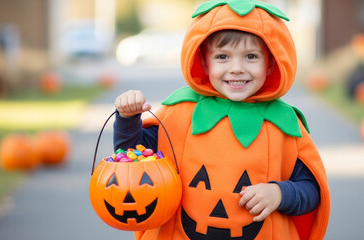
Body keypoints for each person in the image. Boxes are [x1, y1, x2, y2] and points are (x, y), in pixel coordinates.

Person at [113, 0, 330, 239]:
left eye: (250, 56)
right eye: (223, 57)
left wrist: (279, 194)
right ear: (204, 62)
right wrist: (128, 119)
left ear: (271, 62)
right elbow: (131, 160)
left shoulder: (285, 125)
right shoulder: (179, 113)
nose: (236, 68)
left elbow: (311, 191)